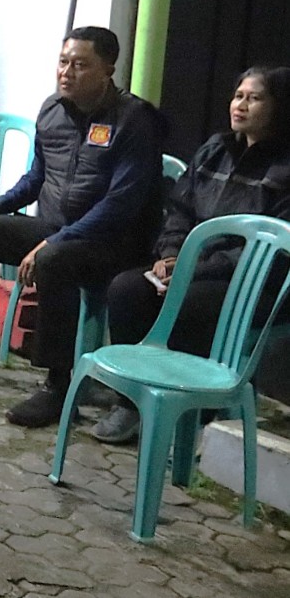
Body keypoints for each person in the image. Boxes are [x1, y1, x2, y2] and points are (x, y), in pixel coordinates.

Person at [0, 26, 166, 428]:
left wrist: (56, 240)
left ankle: (57, 386)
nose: (67, 72)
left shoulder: (134, 120)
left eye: (80, 65)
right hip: (55, 230)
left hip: (111, 242)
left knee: (53, 261)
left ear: (108, 70)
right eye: (63, 62)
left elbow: (122, 203)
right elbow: (37, 176)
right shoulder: (53, 110)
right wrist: (0, 205)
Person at [92, 65, 290, 444]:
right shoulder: (215, 150)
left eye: (254, 98)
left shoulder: (284, 168)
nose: (241, 105)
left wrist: (191, 272)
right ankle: (132, 402)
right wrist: (170, 256)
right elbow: (179, 210)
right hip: (191, 267)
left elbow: (267, 249)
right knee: (127, 289)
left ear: (280, 106)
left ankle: (192, 414)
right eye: (238, 96)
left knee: (190, 302)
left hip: (253, 282)